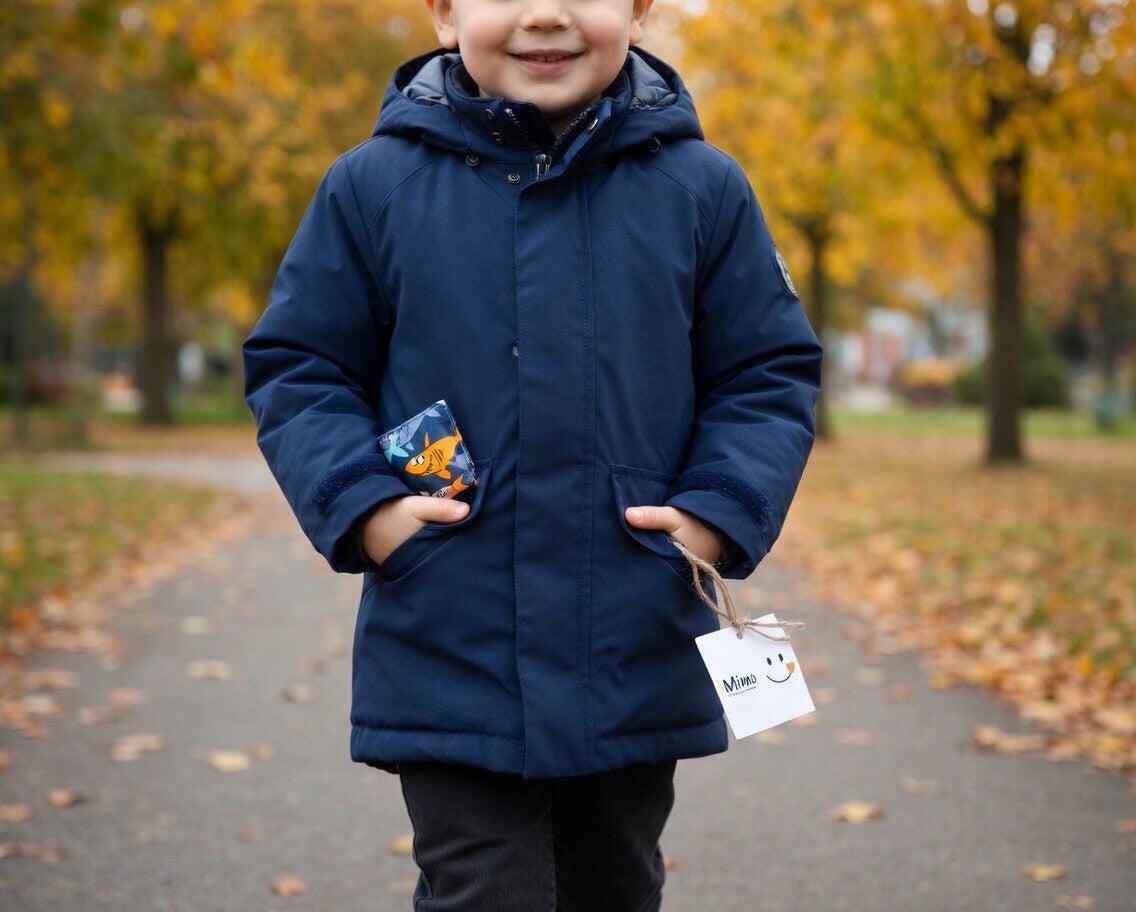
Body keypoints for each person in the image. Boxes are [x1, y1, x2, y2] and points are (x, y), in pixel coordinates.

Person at [243, 0, 822, 907]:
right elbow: (301, 366)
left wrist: (715, 513)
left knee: (615, 880)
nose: (545, 12)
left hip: (636, 622)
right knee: (483, 887)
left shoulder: (703, 190)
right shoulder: (372, 187)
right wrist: (370, 510)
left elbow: (764, 371)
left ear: (637, 11)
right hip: (449, 627)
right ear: (443, 14)